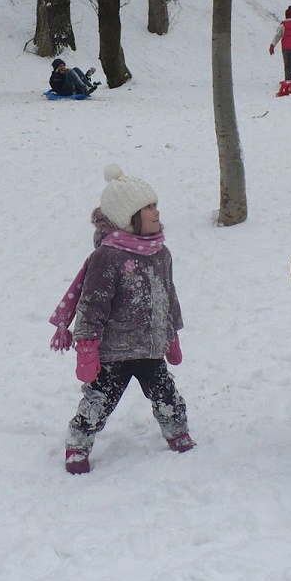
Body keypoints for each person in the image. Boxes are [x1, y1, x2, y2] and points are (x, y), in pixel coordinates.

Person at [50, 165, 194, 474]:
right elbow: (92, 305)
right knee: (98, 402)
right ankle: (78, 444)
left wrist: (172, 334)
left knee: (167, 395)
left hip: (151, 349)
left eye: (155, 205)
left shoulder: (160, 253)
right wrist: (86, 345)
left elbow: (168, 295)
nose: (156, 212)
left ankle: (178, 433)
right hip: (115, 352)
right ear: (128, 218)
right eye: (148, 208)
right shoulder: (108, 257)